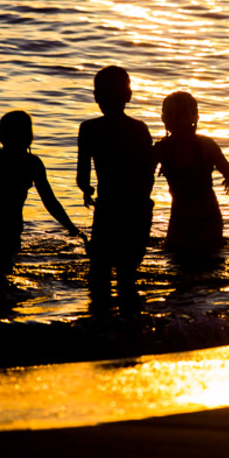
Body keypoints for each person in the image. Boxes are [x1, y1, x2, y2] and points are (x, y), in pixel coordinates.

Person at [77, 66, 155, 302]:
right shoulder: (140, 128)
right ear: (128, 96)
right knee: (128, 275)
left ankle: (101, 332)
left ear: (96, 97)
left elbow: (82, 177)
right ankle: (131, 330)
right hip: (138, 209)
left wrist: (87, 191)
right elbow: (148, 173)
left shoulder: (89, 129)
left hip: (108, 210)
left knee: (99, 275)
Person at [0, 110, 82, 271]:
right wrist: (70, 226)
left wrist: (70, 226)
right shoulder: (31, 163)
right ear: (29, 136)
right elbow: (49, 201)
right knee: (3, 273)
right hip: (4, 227)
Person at [153, 91, 229, 255]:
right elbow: (143, 179)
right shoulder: (161, 148)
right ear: (163, 117)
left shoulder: (206, 145)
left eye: (181, 114)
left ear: (195, 118)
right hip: (178, 219)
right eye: (169, 114)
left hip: (208, 219)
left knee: (209, 263)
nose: (174, 119)